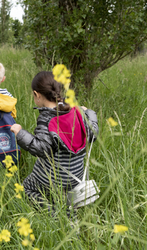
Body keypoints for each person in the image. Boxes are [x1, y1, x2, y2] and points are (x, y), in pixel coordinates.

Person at [10, 71, 98, 219]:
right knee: (66, 197)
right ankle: (70, 215)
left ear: (37, 95)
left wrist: (19, 133)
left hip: (53, 177)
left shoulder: (47, 117)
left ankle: (57, 215)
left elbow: (42, 149)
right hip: (76, 175)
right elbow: (93, 134)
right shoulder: (76, 111)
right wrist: (88, 112)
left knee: (27, 188)